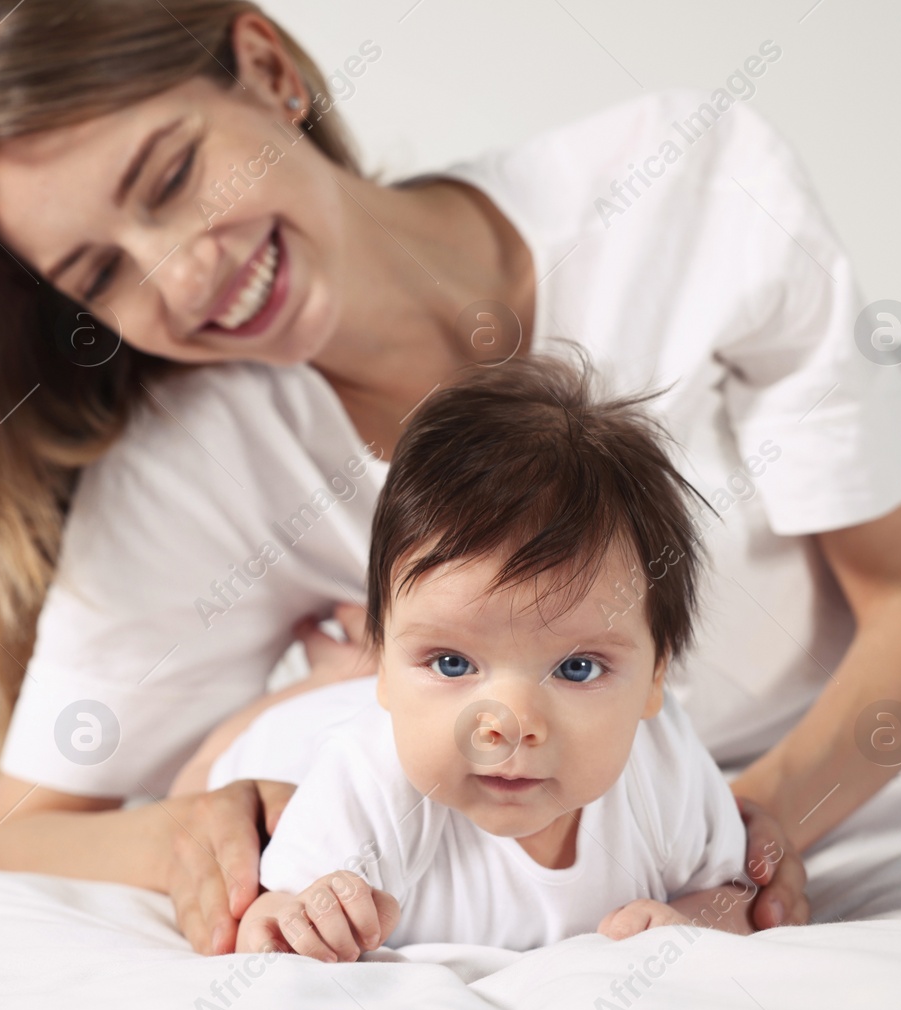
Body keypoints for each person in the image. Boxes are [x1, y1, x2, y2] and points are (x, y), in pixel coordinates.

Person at [0, 0, 901, 957]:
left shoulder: (677, 179)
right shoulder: (195, 470)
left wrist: (740, 848)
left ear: (266, 70)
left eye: (169, 177)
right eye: (101, 274)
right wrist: (189, 830)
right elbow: (23, 829)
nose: (180, 276)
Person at [226, 358, 757, 959]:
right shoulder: (368, 779)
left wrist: (687, 922)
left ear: (655, 678)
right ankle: (326, 680)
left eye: (576, 668)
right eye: (452, 663)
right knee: (208, 769)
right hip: (274, 743)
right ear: (385, 666)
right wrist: (298, 921)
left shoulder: (666, 768)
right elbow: (272, 919)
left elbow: (732, 898)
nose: (508, 723)